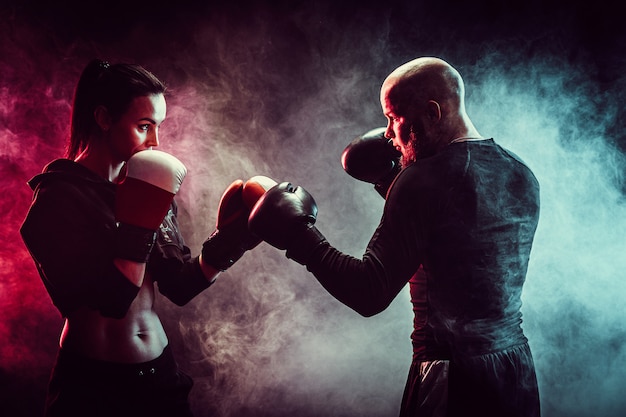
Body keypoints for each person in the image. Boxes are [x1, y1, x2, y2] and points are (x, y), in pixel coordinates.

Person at [249, 57, 541, 417]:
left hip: (451, 375)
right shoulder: (521, 172)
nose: (387, 133)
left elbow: (369, 292)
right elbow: (459, 244)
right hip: (516, 372)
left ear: (432, 114)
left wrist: (300, 237)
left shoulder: (422, 181)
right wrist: (391, 185)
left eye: (394, 117)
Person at [20, 59, 275, 417]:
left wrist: (236, 237)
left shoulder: (147, 184)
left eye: (158, 127)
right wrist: (140, 220)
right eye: (144, 126)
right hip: (93, 386)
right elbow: (114, 299)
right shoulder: (58, 197)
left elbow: (180, 286)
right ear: (104, 118)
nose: (155, 142)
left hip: (160, 377)